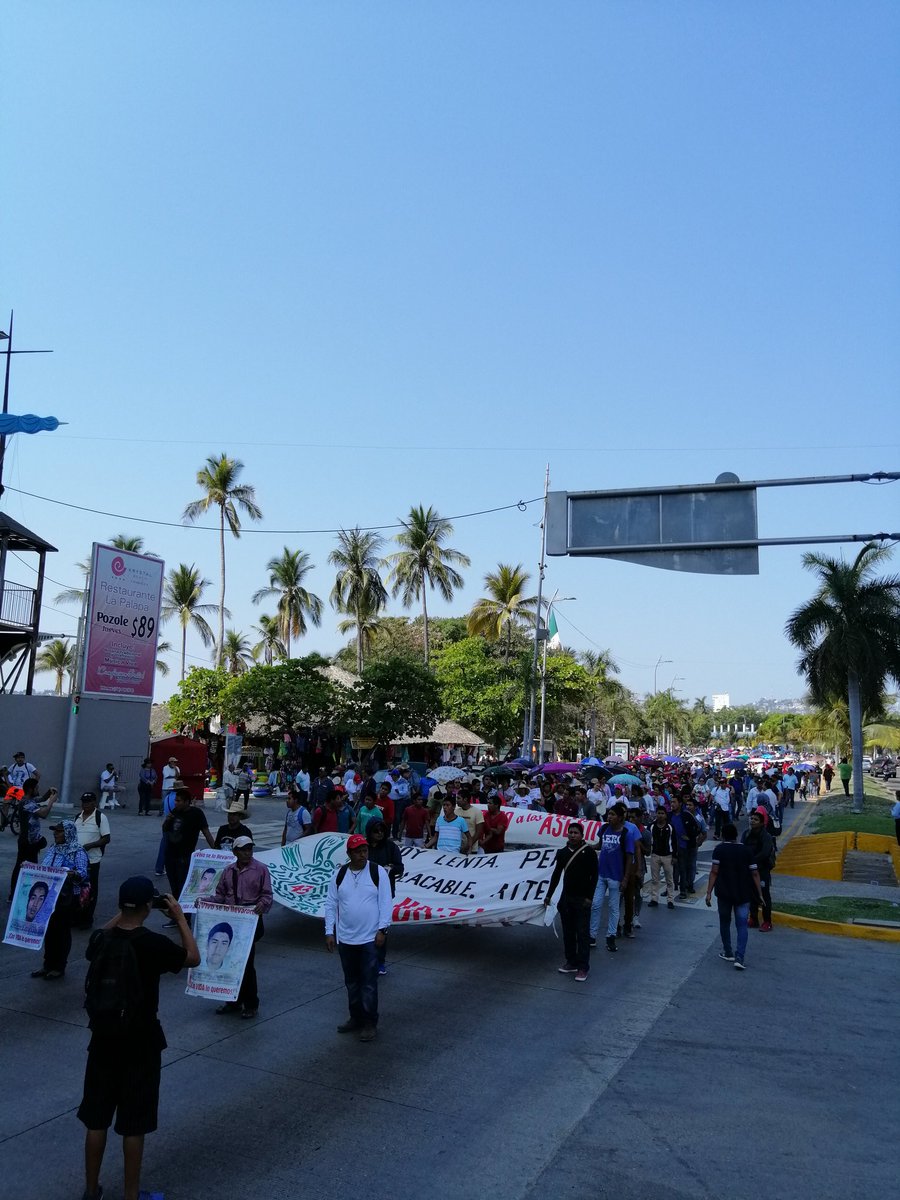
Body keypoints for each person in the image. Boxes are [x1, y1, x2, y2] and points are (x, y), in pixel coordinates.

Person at [77, 876, 199, 1200]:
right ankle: (131, 1196)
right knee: (134, 1124)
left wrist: (127, 912)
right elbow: (192, 957)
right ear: (150, 906)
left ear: (120, 905)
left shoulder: (102, 940)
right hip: (140, 1042)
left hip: (102, 1039)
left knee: (96, 1119)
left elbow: (102, 934)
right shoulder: (151, 944)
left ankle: (91, 1190)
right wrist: (180, 918)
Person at [324, 833, 393, 1042]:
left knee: (369, 983)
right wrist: (329, 931)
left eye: (365, 850)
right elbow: (330, 904)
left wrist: (383, 930)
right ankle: (355, 1017)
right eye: (358, 852)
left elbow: (386, 902)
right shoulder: (340, 874)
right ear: (349, 854)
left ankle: (370, 1022)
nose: (363, 855)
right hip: (346, 939)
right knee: (351, 982)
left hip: (369, 940)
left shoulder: (377, 872)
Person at [213, 836, 273, 1018]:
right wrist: (202, 902)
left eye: (249, 849)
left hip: (250, 922)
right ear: (235, 852)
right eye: (243, 849)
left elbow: (267, 895)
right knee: (231, 963)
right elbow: (220, 895)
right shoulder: (228, 871)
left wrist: (262, 905)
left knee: (246, 964)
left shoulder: (261, 869)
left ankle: (251, 1004)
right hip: (232, 921)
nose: (248, 852)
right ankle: (233, 1001)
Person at [32, 820, 90, 980]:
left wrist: (71, 873)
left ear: (68, 833)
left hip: (67, 898)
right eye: (55, 831)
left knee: (62, 932)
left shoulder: (77, 851)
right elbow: (44, 868)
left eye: (59, 831)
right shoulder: (53, 849)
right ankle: (47, 965)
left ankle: (59, 966)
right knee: (49, 932)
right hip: (49, 897)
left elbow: (83, 873)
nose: (55, 834)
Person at [705, 823, 765, 970]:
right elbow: (755, 873)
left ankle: (728, 951)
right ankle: (740, 957)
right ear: (736, 835)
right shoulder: (747, 851)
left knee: (724, 922)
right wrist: (760, 894)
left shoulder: (719, 850)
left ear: (723, 836)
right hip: (743, 894)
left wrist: (708, 893)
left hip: (724, 893)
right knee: (742, 924)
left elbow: (714, 872)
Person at [543, 822, 599, 982]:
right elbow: (556, 875)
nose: (573, 835)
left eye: (576, 833)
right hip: (566, 899)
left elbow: (594, 877)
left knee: (582, 934)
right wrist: (549, 895)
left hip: (582, 900)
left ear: (582, 835)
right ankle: (571, 962)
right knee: (568, 933)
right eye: (571, 832)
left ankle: (583, 967)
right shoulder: (562, 853)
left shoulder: (589, 853)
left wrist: (590, 897)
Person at [161, 787, 215, 920]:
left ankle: (185, 918)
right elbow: (165, 829)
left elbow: (206, 832)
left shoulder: (196, 814)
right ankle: (177, 916)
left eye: (179, 801)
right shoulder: (174, 812)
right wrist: (168, 820)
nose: (176, 803)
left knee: (183, 887)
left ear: (187, 802)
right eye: (175, 801)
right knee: (174, 887)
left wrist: (215, 849)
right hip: (170, 855)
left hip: (184, 857)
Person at [589, 804, 635, 953]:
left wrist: (626, 878)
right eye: (609, 814)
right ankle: (592, 935)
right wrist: (588, 846)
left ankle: (611, 936)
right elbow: (599, 845)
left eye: (613, 815)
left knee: (614, 908)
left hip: (616, 877)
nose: (609, 817)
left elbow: (629, 857)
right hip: (601, 874)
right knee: (596, 905)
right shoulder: (603, 829)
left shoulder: (626, 834)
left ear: (620, 817)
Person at [8, 779, 58, 901]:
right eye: (36, 788)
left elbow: (40, 799)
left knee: (24, 867)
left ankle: (17, 893)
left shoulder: (29, 800)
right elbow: (44, 813)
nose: (38, 790)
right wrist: (51, 801)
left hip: (30, 842)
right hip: (28, 843)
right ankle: (16, 894)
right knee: (24, 867)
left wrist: (49, 793)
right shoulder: (26, 803)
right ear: (31, 789)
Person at [365, 820, 404, 975]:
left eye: (382, 830)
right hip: (365, 893)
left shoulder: (391, 847)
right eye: (376, 830)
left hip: (384, 893)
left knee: (381, 928)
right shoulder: (364, 847)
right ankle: (367, 959)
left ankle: (380, 961)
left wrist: (391, 869)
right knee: (366, 926)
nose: (379, 833)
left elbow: (400, 867)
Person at [74, 792, 111, 928]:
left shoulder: (100, 817)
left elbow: (106, 838)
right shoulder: (77, 817)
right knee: (77, 889)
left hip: (92, 860)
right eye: (84, 802)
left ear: (94, 803)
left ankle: (87, 919)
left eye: (88, 802)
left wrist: (90, 846)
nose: (85, 804)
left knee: (90, 890)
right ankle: (76, 916)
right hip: (77, 860)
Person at [743, 808, 776, 930]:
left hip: (762, 870)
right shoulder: (747, 834)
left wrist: (752, 861)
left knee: (764, 895)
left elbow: (765, 853)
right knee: (752, 895)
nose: (752, 821)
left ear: (762, 823)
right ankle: (753, 918)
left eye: (756, 819)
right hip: (750, 870)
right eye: (751, 818)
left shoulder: (766, 836)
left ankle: (767, 921)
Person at [648, 807, 677, 908]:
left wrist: (674, 856)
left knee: (669, 880)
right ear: (656, 814)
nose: (660, 815)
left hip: (668, 856)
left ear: (665, 815)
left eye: (662, 813)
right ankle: (654, 899)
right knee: (655, 879)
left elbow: (674, 842)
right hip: (655, 855)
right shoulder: (651, 826)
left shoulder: (670, 827)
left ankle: (670, 900)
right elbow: (648, 840)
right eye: (658, 813)